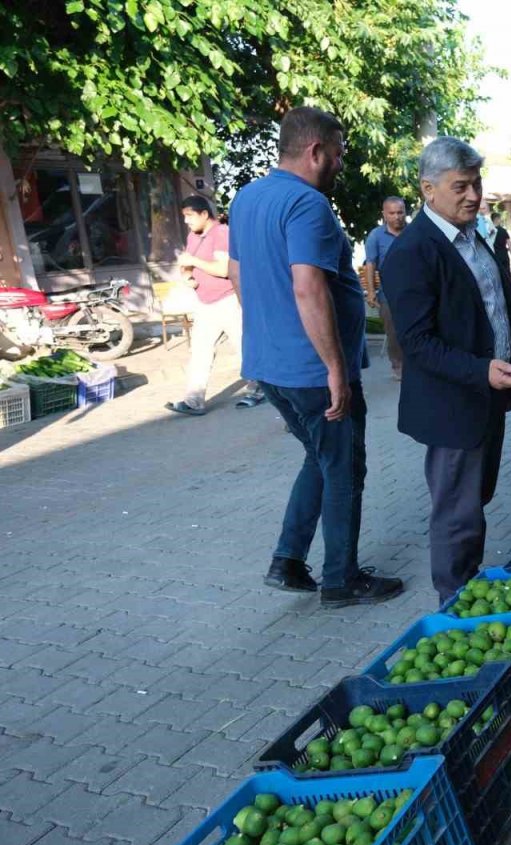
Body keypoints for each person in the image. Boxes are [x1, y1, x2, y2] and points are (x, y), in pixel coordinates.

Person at [229, 106, 402, 608]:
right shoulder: (308, 205)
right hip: (313, 372)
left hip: (270, 366)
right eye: (339, 153)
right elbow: (308, 287)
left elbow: (239, 277)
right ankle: (341, 580)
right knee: (344, 468)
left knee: (320, 458)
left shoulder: (247, 199)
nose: (341, 163)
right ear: (315, 151)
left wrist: (271, 333)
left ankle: (287, 561)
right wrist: (334, 370)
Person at [380, 137, 511, 601]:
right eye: (460, 186)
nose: (473, 195)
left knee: (473, 501)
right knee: (456, 512)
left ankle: (468, 583)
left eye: (476, 184)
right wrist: (481, 370)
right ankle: (454, 604)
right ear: (428, 190)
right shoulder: (412, 252)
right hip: (452, 405)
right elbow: (417, 343)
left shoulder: (473, 236)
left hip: (487, 397)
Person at [164, 195, 263, 415]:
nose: (187, 221)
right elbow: (187, 261)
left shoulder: (222, 233)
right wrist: (187, 274)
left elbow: (224, 269)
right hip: (204, 302)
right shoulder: (193, 236)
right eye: (185, 217)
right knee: (200, 352)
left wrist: (194, 263)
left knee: (244, 348)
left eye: (190, 216)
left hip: (229, 300)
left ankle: (258, 390)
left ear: (204, 214)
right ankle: (193, 401)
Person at [362, 196, 407, 380]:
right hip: (389, 293)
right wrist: (372, 291)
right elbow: (370, 264)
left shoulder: (413, 232)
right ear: (384, 214)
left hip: (416, 290)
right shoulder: (376, 236)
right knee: (393, 331)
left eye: (400, 212)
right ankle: (398, 365)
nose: (397, 217)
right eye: (392, 213)